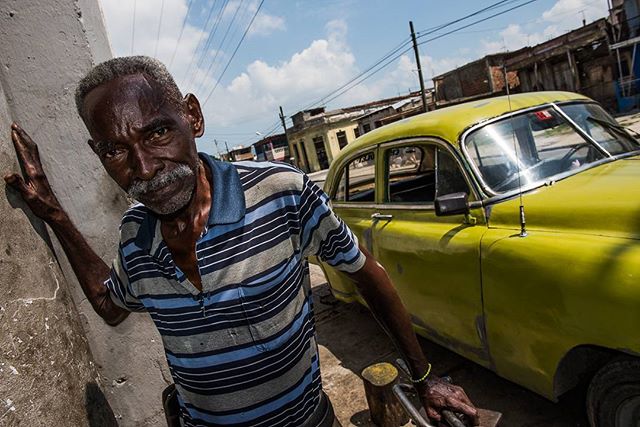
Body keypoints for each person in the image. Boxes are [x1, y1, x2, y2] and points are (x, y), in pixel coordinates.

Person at [4, 56, 478, 427]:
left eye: (158, 132)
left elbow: (364, 272)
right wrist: (53, 212)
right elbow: (111, 306)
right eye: (116, 150)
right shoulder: (134, 235)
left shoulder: (282, 193)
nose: (144, 168)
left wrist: (424, 377)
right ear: (98, 153)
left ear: (193, 116)